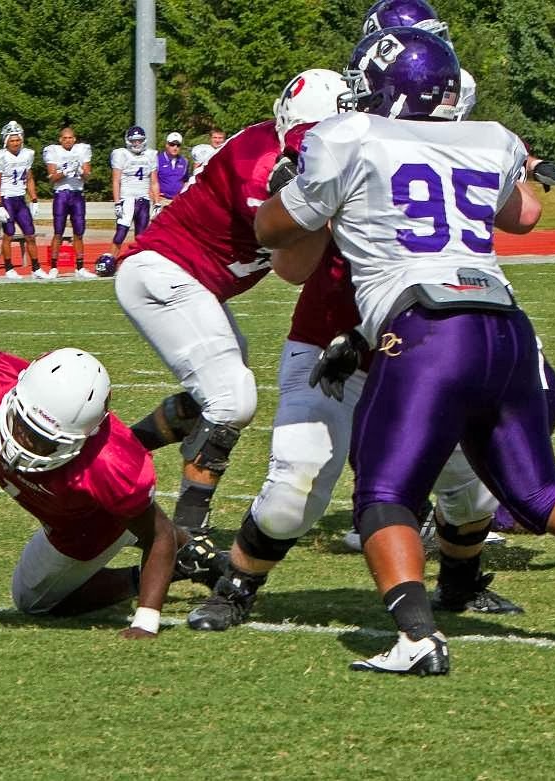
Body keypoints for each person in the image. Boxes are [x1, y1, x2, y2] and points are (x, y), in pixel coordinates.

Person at [255, 27, 555, 675]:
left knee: (382, 488)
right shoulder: (491, 138)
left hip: (428, 324)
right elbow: (522, 215)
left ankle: (416, 637)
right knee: (540, 492)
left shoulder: (348, 137)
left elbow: (273, 228)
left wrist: (289, 181)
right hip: (505, 322)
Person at [114, 69, 345, 535]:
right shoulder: (262, 165)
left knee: (213, 396)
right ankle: (187, 536)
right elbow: (292, 269)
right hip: (162, 270)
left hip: (191, 281)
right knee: (231, 399)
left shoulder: (285, 152)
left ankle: (118, 451)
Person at [0, 346, 220, 633]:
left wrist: (146, 621)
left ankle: (175, 563)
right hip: (63, 503)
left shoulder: (109, 464)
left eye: (44, 441)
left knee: (32, 601)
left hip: (87, 523)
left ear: (81, 439)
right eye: (23, 426)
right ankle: (191, 555)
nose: (24, 444)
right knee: (139, 521)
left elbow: (156, 534)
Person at [0, 120, 41, 279]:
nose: (16, 143)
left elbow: (29, 179)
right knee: (8, 234)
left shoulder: (27, 154)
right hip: (7, 199)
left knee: (30, 234)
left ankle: (36, 268)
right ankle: (9, 268)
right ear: (6, 141)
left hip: (20, 199)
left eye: (18, 139)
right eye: (12, 140)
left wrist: (34, 199)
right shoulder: (0, 157)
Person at [43, 126, 92, 279]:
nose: (68, 140)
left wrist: (80, 172)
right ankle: (53, 267)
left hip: (77, 193)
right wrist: (64, 172)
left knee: (79, 232)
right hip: (61, 194)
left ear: (75, 139)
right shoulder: (53, 151)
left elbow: (88, 176)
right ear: (60, 139)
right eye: (65, 138)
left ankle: (80, 267)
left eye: (70, 137)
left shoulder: (82, 150)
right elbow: (51, 178)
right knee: (58, 232)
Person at [109, 126, 161, 257]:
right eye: (134, 141)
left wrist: (157, 203)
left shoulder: (150, 155)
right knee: (120, 233)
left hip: (144, 200)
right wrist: (117, 202)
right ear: (128, 141)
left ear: (144, 140)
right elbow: (116, 180)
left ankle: (138, 263)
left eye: (139, 140)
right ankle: (111, 260)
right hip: (127, 199)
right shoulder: (121, 154)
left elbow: (154, 182)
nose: (136, 143)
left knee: (142, 237)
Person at [157, 131, 190, 203]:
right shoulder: (157, 160)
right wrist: (155, 197)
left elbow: (186, 181)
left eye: (178, 145)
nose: (175, 148)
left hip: (178, 201)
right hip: (162, 199)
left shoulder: (184, 161)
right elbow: (152, 181)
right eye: (172, 144)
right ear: (167, 145)